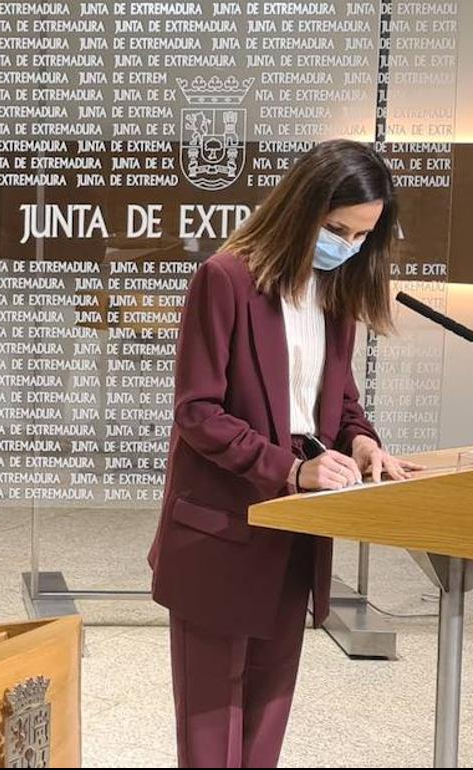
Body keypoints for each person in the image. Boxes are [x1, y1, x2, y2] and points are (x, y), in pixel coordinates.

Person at [148, 139, 422, 768]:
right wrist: (292, 469)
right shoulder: (226, 277)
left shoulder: (336, 289)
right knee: (212, 727)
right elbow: (197, 412)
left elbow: (339, 399)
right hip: (220, 527)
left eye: (361, 236)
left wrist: (363, 441)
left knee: (270, 713)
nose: (347, 247)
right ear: (301, 207)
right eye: (337, 230)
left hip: (298, 528)